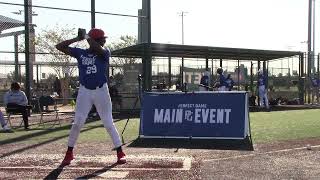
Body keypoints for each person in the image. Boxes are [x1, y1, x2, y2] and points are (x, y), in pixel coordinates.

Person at [55, 28, 126, 166]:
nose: (105, 41)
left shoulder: (104, 53)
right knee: (78, 122)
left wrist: (88, 37)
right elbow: (59, 46)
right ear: (96, 40)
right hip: (84, 91)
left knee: (108, 122)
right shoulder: (81, 53)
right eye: (102, 39)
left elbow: (96, 47)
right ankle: (69, 153)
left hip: (101, 90)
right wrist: (77, 39)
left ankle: (120, 152)